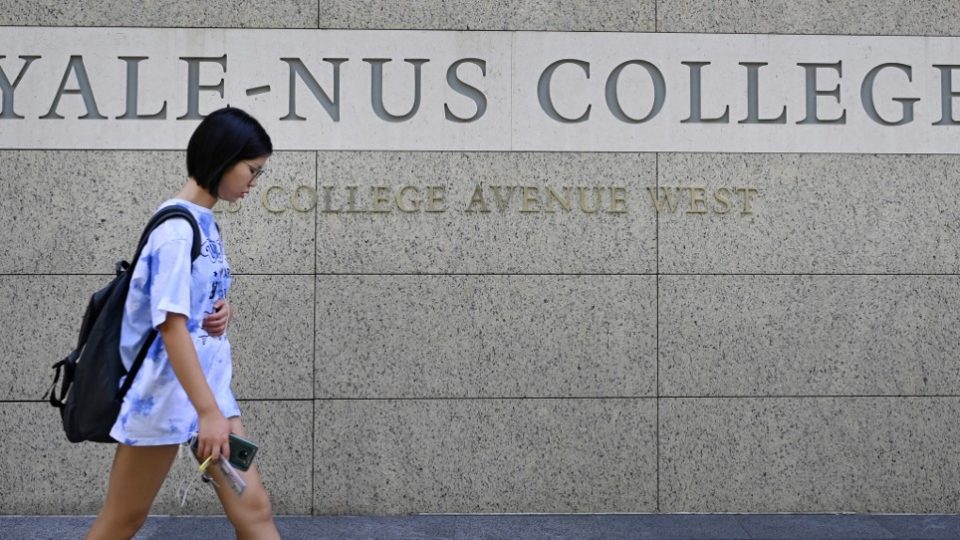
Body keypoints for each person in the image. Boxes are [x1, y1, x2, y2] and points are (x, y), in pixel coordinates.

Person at [86, 107, 280, 540]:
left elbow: (186, 311)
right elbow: (170, 326)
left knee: (255, 511)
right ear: (223, 158)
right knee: (123, 520)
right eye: (252, 169)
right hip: (166, 395)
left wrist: (219, 310)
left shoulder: (203, 223)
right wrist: (208, 412)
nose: (254, 182)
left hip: (207, 392)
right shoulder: (176, 230)